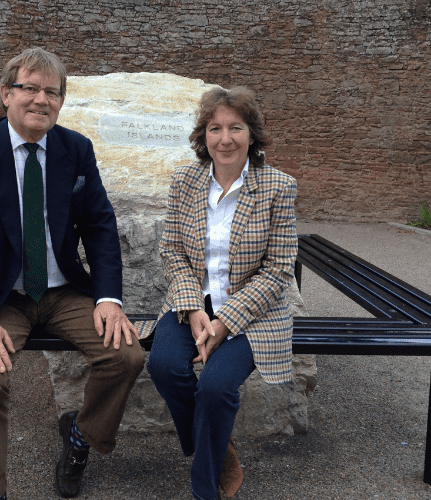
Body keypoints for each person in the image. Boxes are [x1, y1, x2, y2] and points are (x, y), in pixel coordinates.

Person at [0, 47, 145, 500]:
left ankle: (80, 440)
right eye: (30, 88)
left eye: (52, 91)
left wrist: (109, 298)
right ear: (6, 94)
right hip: (0, 296)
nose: (41, 99)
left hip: (63, 290)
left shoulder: (76, 149)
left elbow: (102, 228)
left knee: (125, 355)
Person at [144, 86, 298, 500]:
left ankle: (204, 487)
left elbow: (279, 268)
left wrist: (226, 322)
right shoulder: (185, 180)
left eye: (236, 127)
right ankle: (219, 446)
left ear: (252, 134)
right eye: (215, 128)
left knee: (215, 387)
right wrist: (193, 307)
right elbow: (172, 249)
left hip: (254, 312)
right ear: (203, 135)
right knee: (163, 366)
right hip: (193, 301)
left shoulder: (278, 187)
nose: (225, 138)